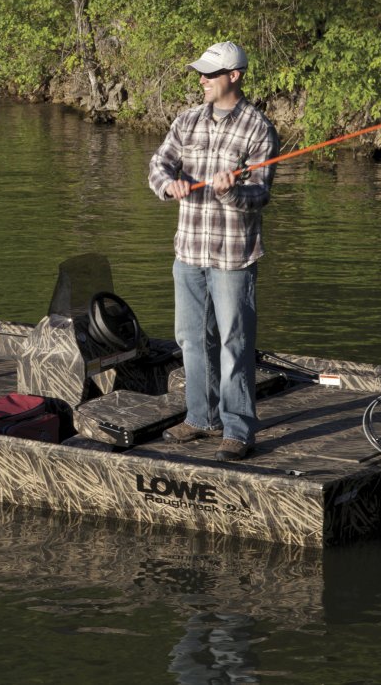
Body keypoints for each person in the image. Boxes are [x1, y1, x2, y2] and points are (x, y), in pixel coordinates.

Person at [148, 41, 278, 461]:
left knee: (234, 343)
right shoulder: (186, 121)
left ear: (234, 76)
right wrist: (169, 184)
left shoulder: (258, 128)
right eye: (201, 74)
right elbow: (159, 164)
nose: (202, 80)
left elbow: (260, 194)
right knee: (190, 338)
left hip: (233, 257)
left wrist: (231, 192)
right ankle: (201, 418)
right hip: (189, 251)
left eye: (209, 74)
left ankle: (238, 429)